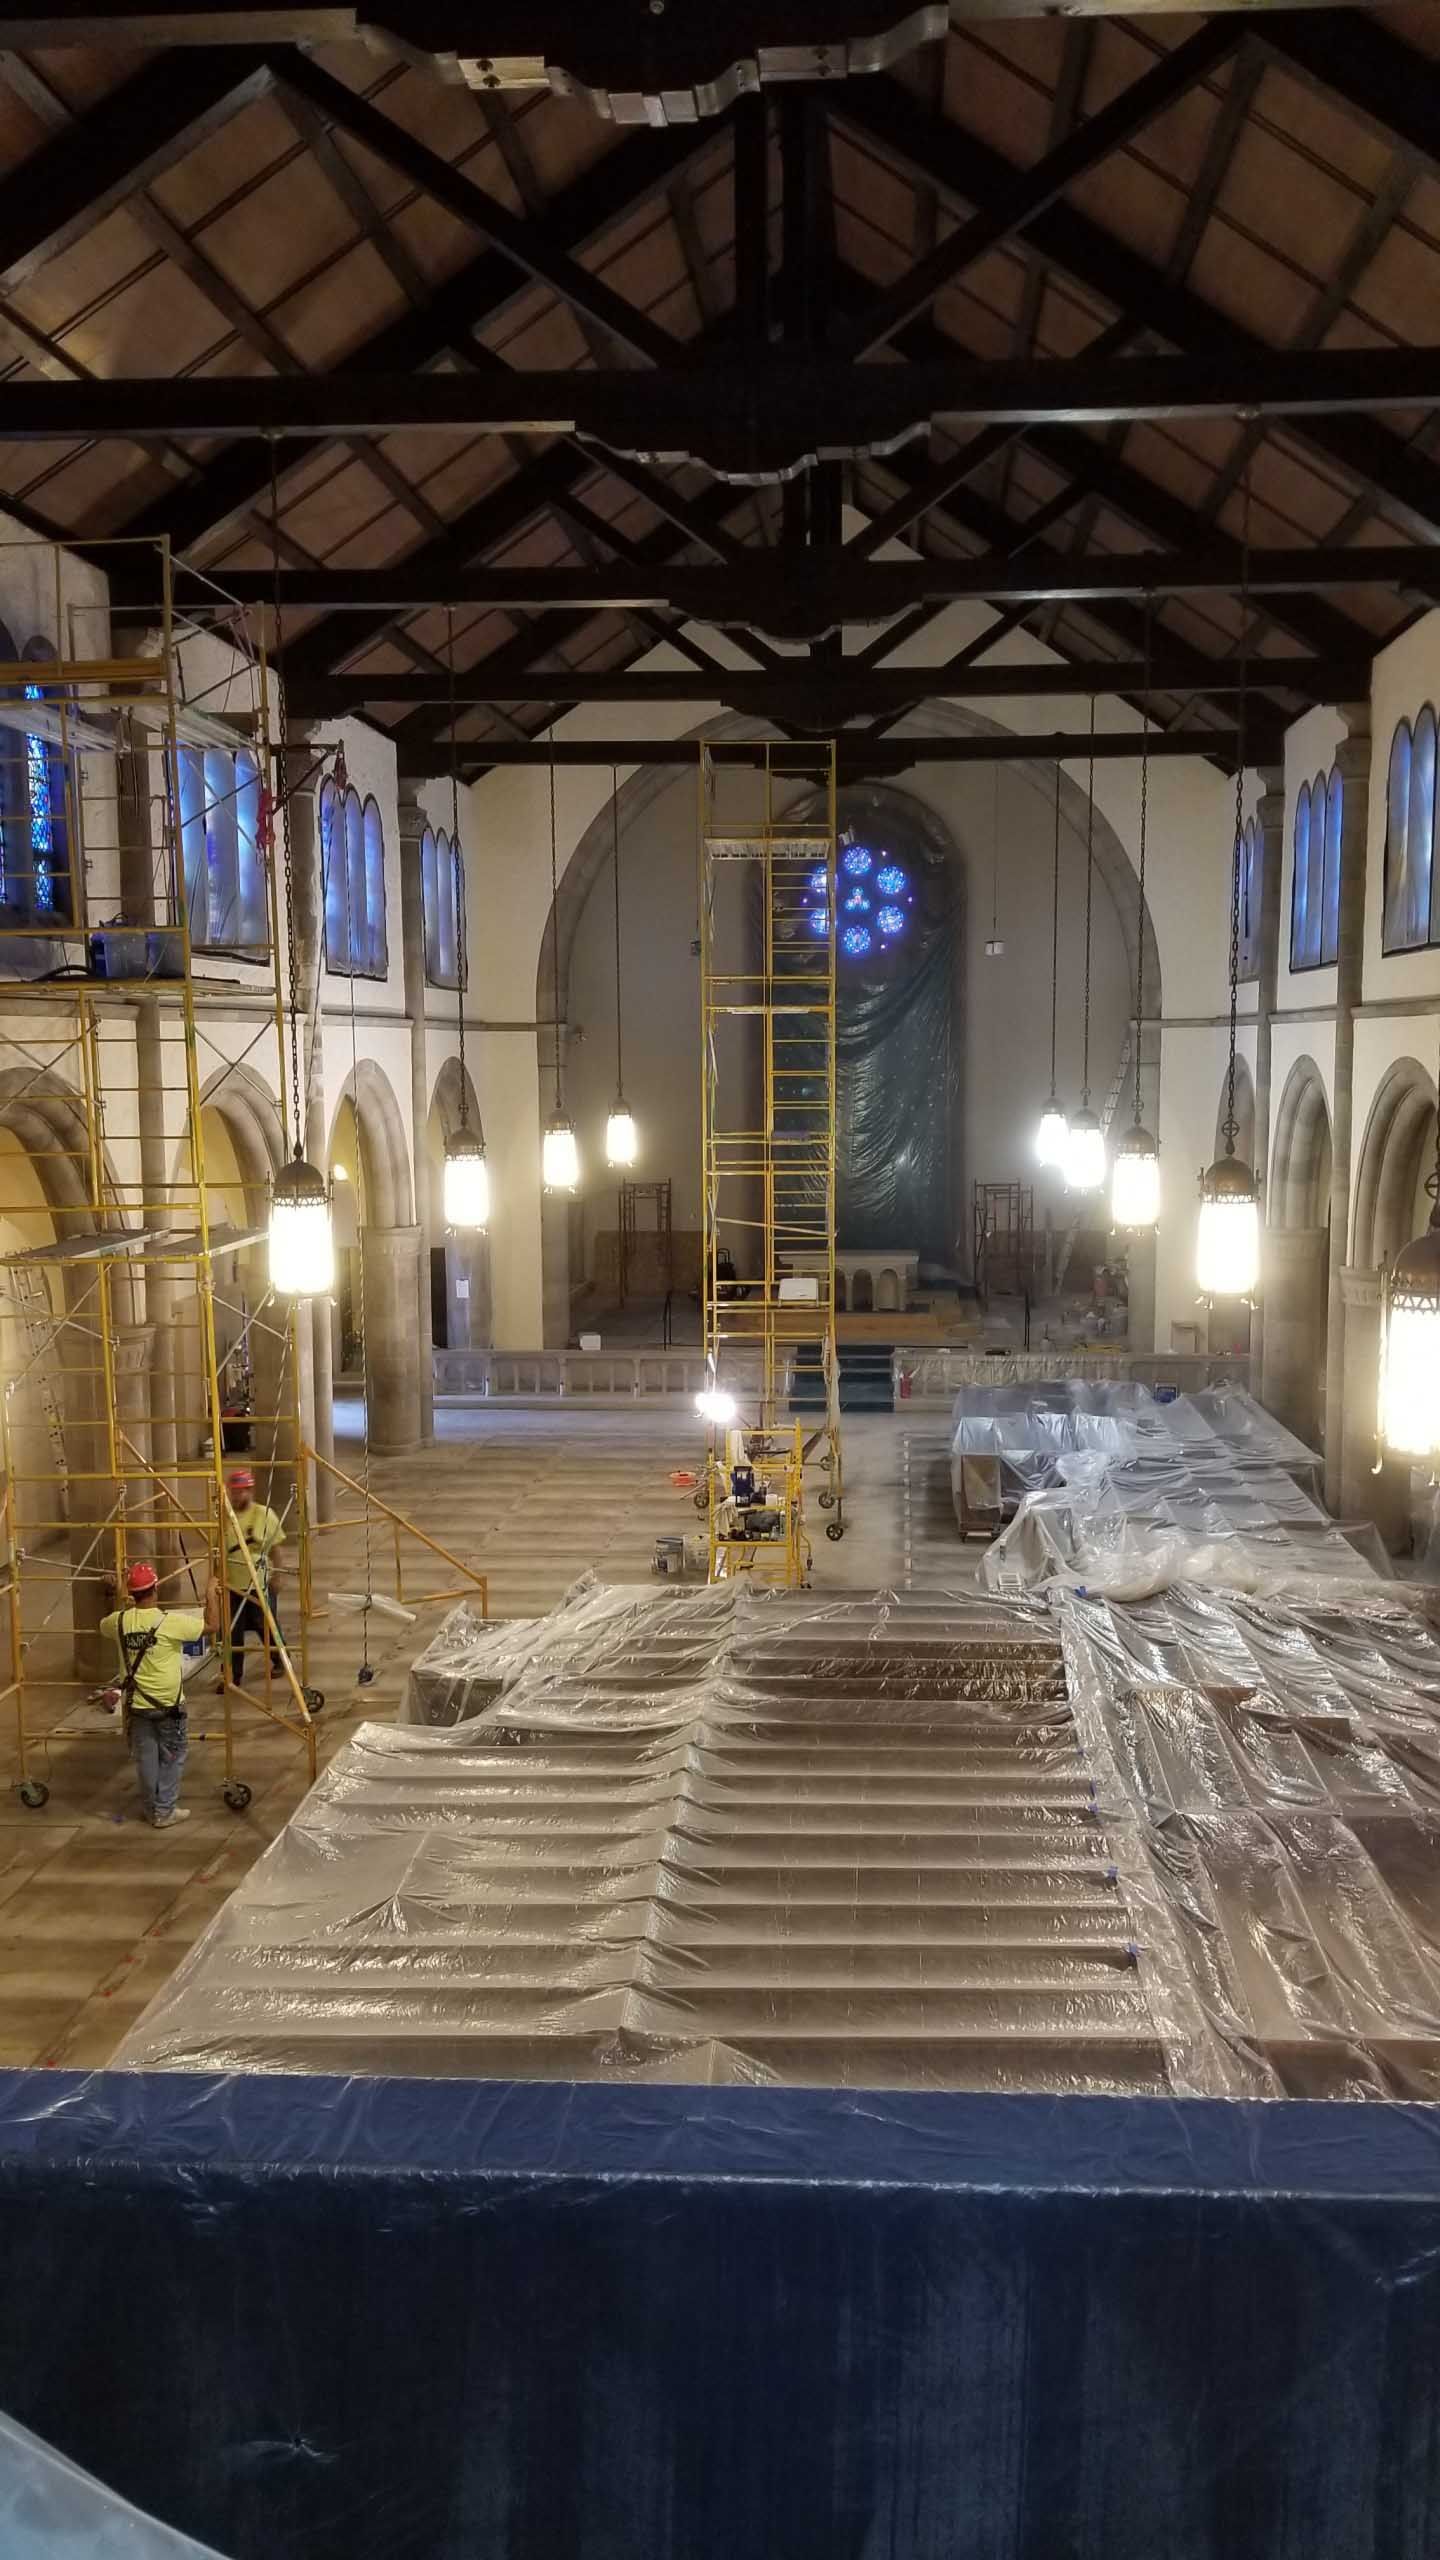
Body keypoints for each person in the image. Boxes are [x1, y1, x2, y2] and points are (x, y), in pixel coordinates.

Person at [100, 1560, 222, 1828]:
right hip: (169, 1704)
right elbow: (212, 1626)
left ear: (132, 1593)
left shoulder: (118, 1622)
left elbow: (106, 1622)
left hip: (137, 1704)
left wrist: (114, 1593)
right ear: (155, 1589)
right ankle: (164, 1811)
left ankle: (151, 1809)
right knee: (173, 1755)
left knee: (146, 1758)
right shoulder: (171, 1622)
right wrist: (210, 1595)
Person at [221, 1467, 287, 1691]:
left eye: (241, 1491)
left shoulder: (263, 1514)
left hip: (258, 1581)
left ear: (250, 1491)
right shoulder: (224, 1518)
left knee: (265, 1624)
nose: (237, 1496)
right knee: (232, 1631)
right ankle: (233, 1675)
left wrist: (278, 1575)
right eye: (233, 1491)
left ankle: (280, 1659)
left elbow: (276, 1548)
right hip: (232, 1583)